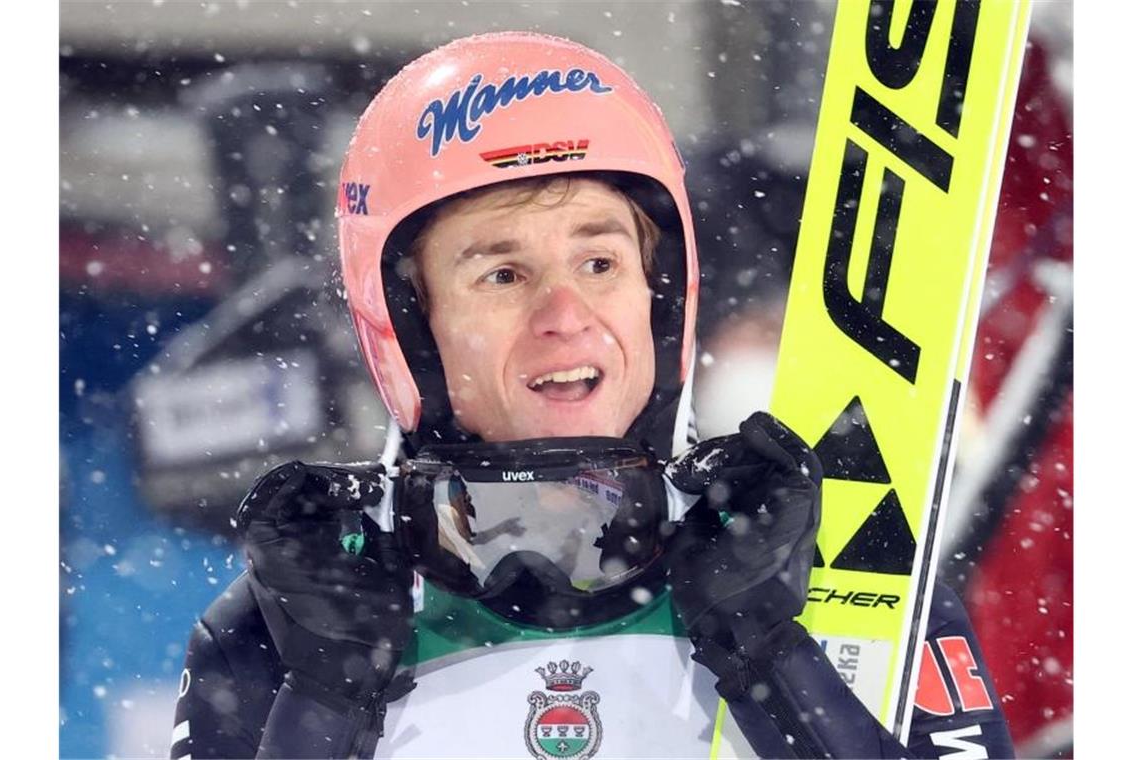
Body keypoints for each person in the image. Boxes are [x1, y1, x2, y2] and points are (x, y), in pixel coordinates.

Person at [171, 32, 1014, 760]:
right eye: (502, 273)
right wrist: (324, 703)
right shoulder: (294, 620)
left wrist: (771, 657)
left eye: (600, 263)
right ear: (406, 323)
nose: (565, 317)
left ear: (661, 291)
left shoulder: (848, 580)